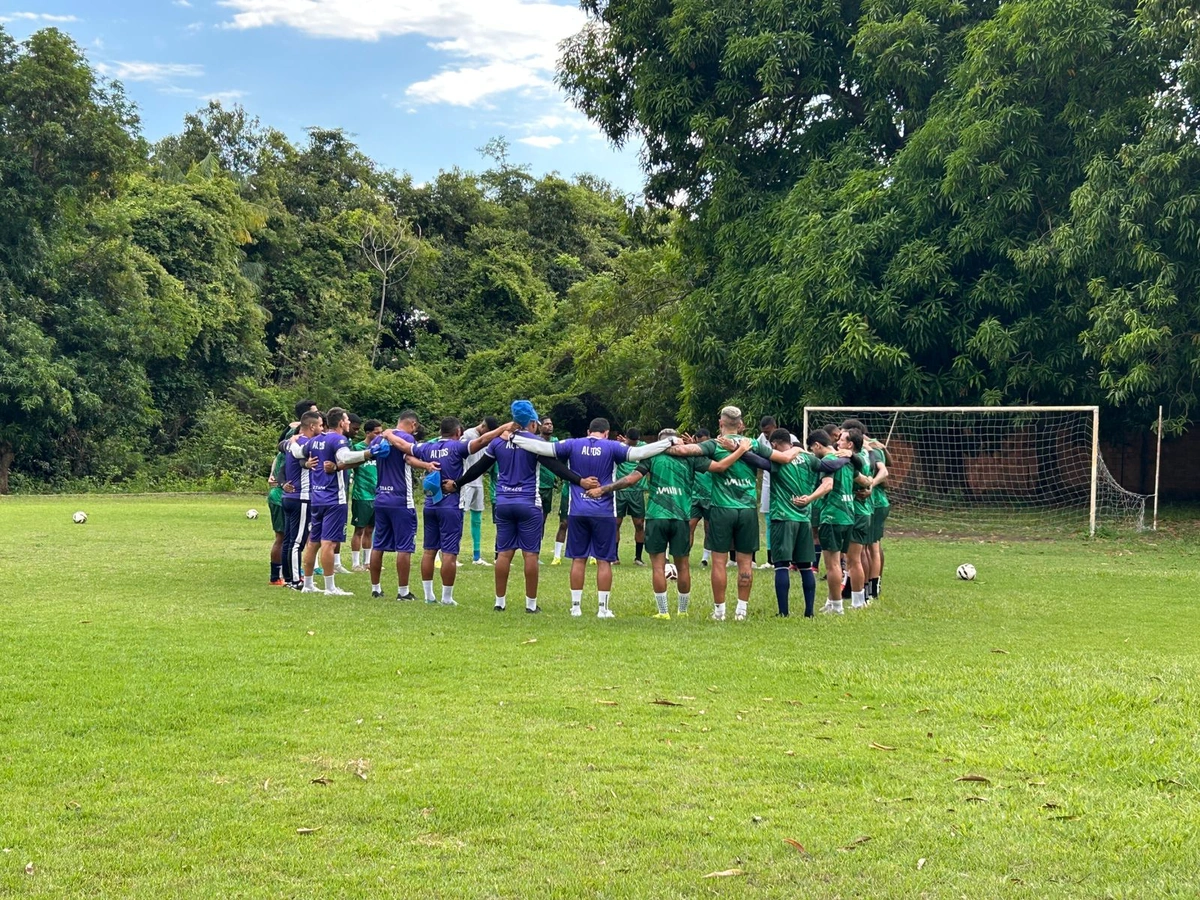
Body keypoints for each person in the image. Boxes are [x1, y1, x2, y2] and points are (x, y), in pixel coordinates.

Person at [512, 417, 675, 617]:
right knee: (604, 560)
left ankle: (576, 607)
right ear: (606, 433)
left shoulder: (572, 444)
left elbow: (542, 448)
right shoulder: (613, 446)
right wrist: (669, 442)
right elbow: (640, 453)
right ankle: (602, 609)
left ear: (589, 431)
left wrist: (515, 438)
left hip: (578, 510)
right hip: (604, 511)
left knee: (578, 559)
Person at [589, 428, 749, 618]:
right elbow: (720, 467)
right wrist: (740, 451)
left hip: (657, 517)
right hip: (681, 518)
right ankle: (682, 611)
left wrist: (605, 489)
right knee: (683, 566)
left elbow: (631, 480)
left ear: (659, 442)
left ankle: (663, 612)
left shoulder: (652, 456)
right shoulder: (691, 458)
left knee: (658, 566)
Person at [455, 402, 596, 612]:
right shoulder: (534, 442)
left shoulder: (498, 442)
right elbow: (556, 468)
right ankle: (531, 605)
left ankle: (499, 602)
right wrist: (580, 481)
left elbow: (478, 468)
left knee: (503, 554)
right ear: (531, 422)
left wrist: (457, 483)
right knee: (530, 555)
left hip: (503, 502)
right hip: (528, 503)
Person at [668, 406, 772, 621]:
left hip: (721, 509)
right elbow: (781, 458)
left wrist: (669, 443)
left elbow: (682, 452)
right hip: (746, 510)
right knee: (745, 562)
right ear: (741, 424)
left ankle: (720, 611)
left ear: (720, 423)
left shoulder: (713, 445)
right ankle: (741, 611)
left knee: (718, 561)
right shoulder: (752, 443)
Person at [409, 416, 510, 606]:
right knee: (449, 552)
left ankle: (428, 596)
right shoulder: (457, 447)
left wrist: (390, 435)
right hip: (451, 504)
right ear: (458, 433)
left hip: (430, 504)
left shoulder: (427, 448)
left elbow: (407, 452)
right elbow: (483, 440)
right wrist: (507, 426)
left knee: (429, 551)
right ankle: (446, 598)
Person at [752, 429, 853, 617]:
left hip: (782, 518)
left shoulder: (777, 460)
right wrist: (848, 457)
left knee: (781, 565)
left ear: (774, 444)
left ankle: (783, 612)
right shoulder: (809, 459)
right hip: (804, 520)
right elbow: (831, 466)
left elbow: (755, 460)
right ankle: (809, 612)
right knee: (806, 566)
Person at [293, 407, 377, 596]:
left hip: (317, 498)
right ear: (341, 423)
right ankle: (330, 587)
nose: (348, 423)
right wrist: (369, 453)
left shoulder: (315, 440)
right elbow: (344, 457)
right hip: (334, 499)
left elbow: (298, 453)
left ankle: (307, 584)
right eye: (347, 421)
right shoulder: (338, 439)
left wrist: (292, 441)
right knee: (328, 543)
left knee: (313, 542)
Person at [371, 410, 438, 600]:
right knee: (404, 547)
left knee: (379, 545)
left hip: (381, 497)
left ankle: (376, 588)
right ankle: (403, 591)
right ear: (413, 425)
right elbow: (409, 457)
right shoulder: (407, 438)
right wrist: (427, 465)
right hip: (401, 499)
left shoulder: (378, 439)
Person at [800, 430, 858, 615]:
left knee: (832, 564)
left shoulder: (828, 462)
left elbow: (828, 485)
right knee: (841, 561)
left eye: (812, 449)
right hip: (849, 515)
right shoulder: (847, 460)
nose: (812, 452)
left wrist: (809, 498)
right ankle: (832, 601)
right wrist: (870, 485)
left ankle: (837, 607)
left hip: (832, 516)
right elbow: (861, 480)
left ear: (817, 445)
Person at [279, 409, 322, 589]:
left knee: (288, 540)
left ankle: (288, 578)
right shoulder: (307, 444)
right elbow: (302, 454)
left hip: (289, 497)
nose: (322, 428)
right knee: (297, 542)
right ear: (311, 426)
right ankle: (297, 581)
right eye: (320, 425)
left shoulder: (291, 443)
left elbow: (280, 446)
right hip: (301, 497)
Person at [460, 416, 500, 566]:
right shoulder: (469, 435)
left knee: (477, 518)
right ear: (483, 427)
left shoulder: (487, 439)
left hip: (478, 482)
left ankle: (477, 556)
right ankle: (451, 554)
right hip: (466, 482)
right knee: (459, 516)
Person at [349, 419, 382, 571]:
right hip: (361, 495)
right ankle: (355, 563)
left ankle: (367, 562)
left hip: (377, 495)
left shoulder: (381, 450)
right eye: (377, 433)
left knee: (371, 530)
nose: (379, 435)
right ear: (368, 433)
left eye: (381, 432)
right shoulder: (357, 448)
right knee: (359, 530)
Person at [614, 427, 647, 565]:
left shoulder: (643, 447)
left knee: (639, 524)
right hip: (620, 491)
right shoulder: (618, 448)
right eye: (631, 441)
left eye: (635, 441)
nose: (633, 443)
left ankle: (638, 558)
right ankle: (614, 557)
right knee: (616, 524)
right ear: (626, 438)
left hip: (637, 491)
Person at [689, 428, 714, 567]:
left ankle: (705, 558)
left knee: (708, 528)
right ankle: (685, 554)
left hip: (710, 497)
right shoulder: (692, 453)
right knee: (689, 526)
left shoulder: (714, 453)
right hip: (694, 497)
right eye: (699, 443)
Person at [757, 415, 777, 570]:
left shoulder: (788, 437)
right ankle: (770, 559)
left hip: (784, 485)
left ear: (775, 427)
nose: (766, 435)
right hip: (767, 484)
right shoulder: (760, 440)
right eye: (764, 432)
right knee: (769, 521)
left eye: (768, 432)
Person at [266, 443, 288, 586]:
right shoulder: (289, 454)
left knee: (287, 538)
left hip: (279, 496)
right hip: (280, 498)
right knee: (282, 538)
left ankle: (286, 574)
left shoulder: (282, 454)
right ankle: (276, 577)